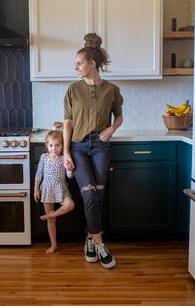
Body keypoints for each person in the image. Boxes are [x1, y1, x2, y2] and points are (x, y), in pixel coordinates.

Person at [63, 33, 123, 269]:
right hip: (78, 147)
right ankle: (99, 243)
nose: (75, 67)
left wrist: (111, 128)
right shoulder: (72, 90)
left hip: (100, 147)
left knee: (98, 195)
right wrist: (67, 152)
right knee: (88, 193)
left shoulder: (111, 89)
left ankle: (89, 239)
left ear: (92, 64)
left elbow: (119, 115)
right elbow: (67, 122)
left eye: (79, 63)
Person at [34, 130, 75, 254]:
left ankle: (49, 216)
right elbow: (38, 174)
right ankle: (53, 244)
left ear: (63, 146)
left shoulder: (64, 158)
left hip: (61, 188)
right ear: (47, 145)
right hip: (47, 189)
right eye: (51, 145)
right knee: (51, 222)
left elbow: (69, 176)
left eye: (57, 145)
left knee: (70, 205)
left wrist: (69, 169)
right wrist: (36, 189)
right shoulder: (44, 157)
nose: (54, 148)